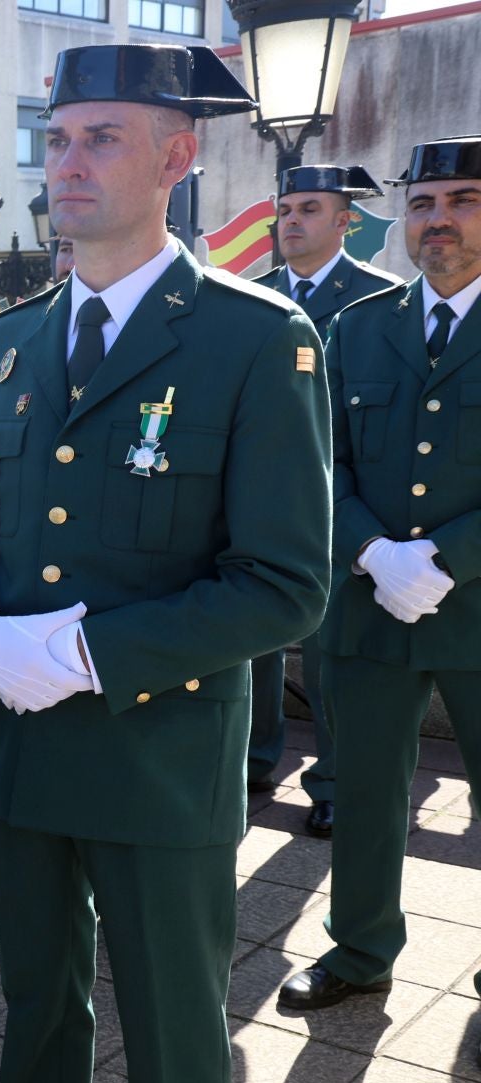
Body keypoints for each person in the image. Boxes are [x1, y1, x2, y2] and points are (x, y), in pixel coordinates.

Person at [0, 45, 330, 1083]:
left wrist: (85, 651)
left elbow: (283, 583)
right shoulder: (2, 347)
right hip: (19, 748)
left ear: (177, 157)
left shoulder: (253, 339)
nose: (68, 161)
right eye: (56, 139)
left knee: (172, 1030)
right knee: (35, 1008)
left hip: (158, 756)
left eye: (102, 137)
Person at [280, 137, 481, 1014]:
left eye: (464, 200)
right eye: (425, 203)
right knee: (362, 793)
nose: (439, 220)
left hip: (476, 607)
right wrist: (371, 551)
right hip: (371, 606)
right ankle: (360, 951)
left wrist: (445, 559)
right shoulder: (359, 326)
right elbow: (318, 461)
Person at [247, 164, 404, 839]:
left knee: (329, 651)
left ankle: (335, 781)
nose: (292, 221)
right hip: (252, 497)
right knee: (247, 638)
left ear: (346, 221)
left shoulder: (382, 299)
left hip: (336, 500)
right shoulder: (248, 298)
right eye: (285, 210)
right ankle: (253, 760)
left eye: (310, 209)